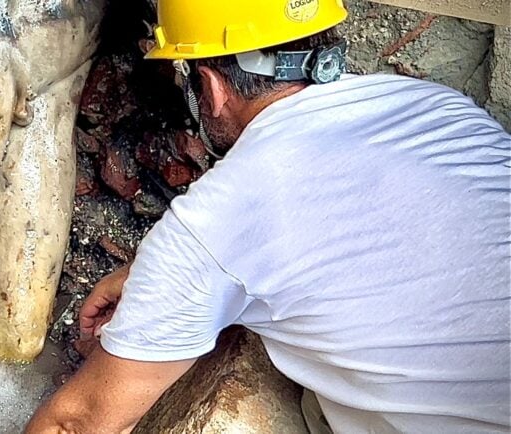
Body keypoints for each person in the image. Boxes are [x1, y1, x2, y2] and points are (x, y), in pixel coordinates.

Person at [26, 0, 511, 432]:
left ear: (211, 87)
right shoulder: (439, 106)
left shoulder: (221, 214)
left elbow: (76, 423)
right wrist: (149, 275)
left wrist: (178, 265)